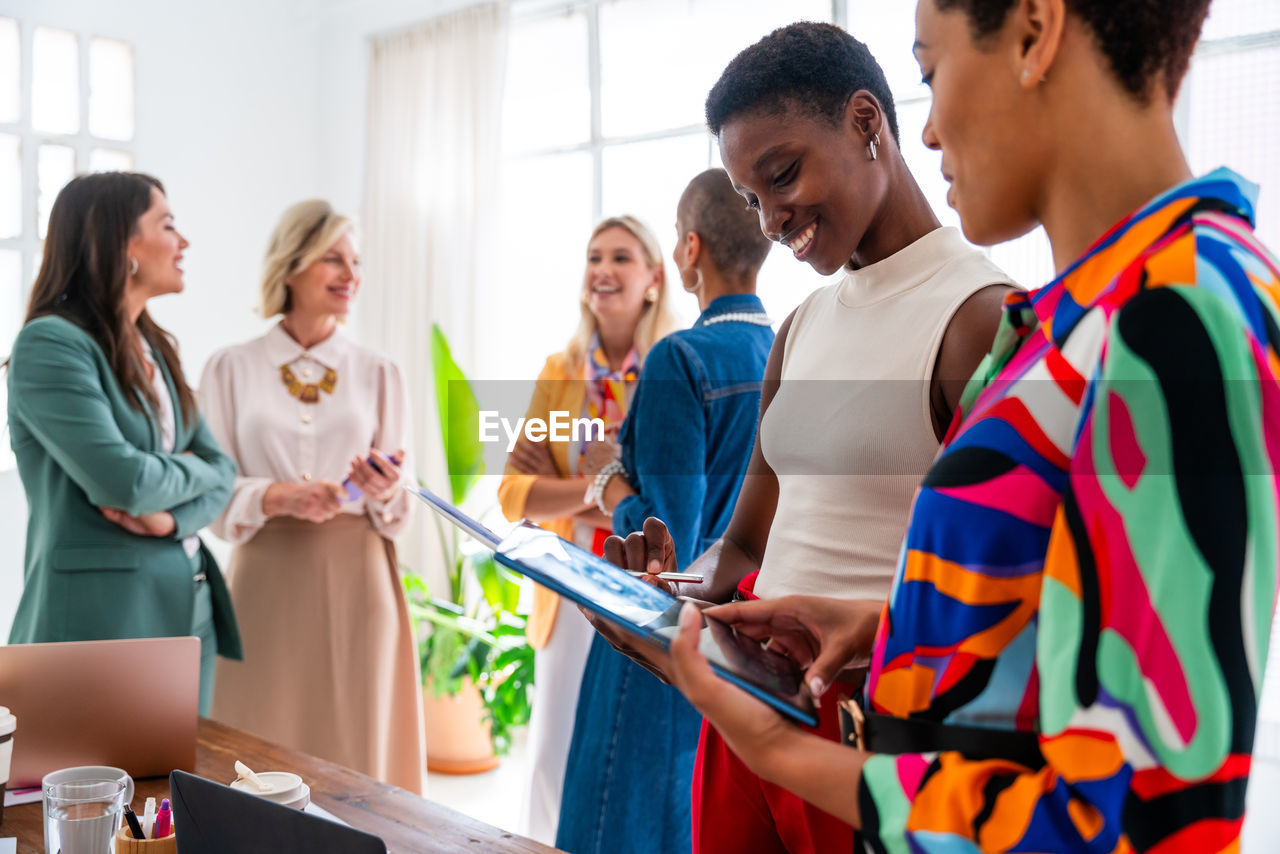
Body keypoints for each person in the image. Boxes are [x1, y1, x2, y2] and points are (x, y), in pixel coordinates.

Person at [633, 1, 1280, 850]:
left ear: (1034, 31)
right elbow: (1048, 639)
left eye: (932, 73)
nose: (929, 130)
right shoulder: (1073, 321)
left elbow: (1140, 815)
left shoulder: (1177, 316)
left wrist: (788, 755)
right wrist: (885, 629)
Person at [591, 23, 1016, 854]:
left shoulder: (980, 316)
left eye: (782, 175)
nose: (773, 218)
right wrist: (663, 603)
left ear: (867, 123)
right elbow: (745, 547)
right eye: (751, 199)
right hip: (750, 713)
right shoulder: (801, 326)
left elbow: (1009, 591)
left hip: (868, 724)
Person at [555, 169, 774, 854]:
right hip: (744, 633)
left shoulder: (682, 357)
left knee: (613, 824)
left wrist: (609, 486)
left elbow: (663, 546)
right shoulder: (785, 348)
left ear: (687, 251)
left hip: (653, 630)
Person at [200, 200, 424, 794]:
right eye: (333, 258)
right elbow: (211, 495)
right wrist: (278, 496)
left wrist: (382, 489)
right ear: (291, 265)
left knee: (357, 748)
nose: (351, 274)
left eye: (357, 261)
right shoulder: (229, 368)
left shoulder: (380, 372)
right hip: (263, 581)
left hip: (360, 579)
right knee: (252, 744)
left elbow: (402, 508)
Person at [6, 172, 241, 715]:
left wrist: (169, 519)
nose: (184, 243)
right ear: (121, 244)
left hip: (191, 602)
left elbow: (223, 469)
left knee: (175, 790)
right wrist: (184, 472)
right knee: (93, 793)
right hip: (104, 619)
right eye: (168, 224)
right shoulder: (51, 343)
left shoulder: (156, 345)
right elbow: (124, 481)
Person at [498, 215, 678, 843]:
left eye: (621, 258)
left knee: (626, 755)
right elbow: (514, 493)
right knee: (552, 751)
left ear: (654, 278)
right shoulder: (562, 372)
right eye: (594, 256)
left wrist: (575, 494)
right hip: (570, 581)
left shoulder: (672, 369)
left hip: (644, 583)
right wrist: (604, 491)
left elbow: (666, 505)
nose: (602, 269)